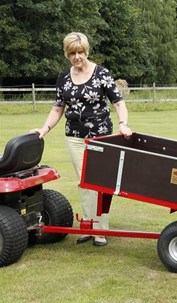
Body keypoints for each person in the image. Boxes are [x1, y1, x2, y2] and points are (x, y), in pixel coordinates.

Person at [32, 32, 132, 247]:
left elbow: (118, 103)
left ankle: (100, 230)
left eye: (81, 52)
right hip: (75, 137)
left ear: (87, 51)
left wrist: (123, 124)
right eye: (73, 53)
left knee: (101, 182)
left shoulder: (101, 73)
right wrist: (44, 128)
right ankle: (88, 226)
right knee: (84, 182)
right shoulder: (64, 78)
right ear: (67, 54)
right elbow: (58, 108)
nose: (77, 57)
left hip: (102, 135)